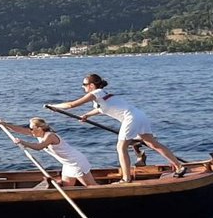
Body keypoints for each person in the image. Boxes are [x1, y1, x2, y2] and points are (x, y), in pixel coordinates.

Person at [47, 73, 186, 183]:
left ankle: (126, 178)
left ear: (91, 85)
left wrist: (53, 106)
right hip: (139, 115)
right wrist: (87, 115)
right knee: (153, 144)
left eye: (84, 85)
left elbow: (72, 105)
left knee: (121, 147)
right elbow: (102, 109)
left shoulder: (96, 93)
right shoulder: (101, 95)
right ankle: (179, 166)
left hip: (130, 118)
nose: (83, 87)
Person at [0, 118, 97, 187]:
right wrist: (5, 124)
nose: (30, 130)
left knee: (91, 186)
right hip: (67, 164)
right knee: (67, 187)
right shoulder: (39, 134)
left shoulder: (50, 136)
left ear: (39, 129)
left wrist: (23, 142)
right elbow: (22, 130)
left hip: (76, 162)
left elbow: (39, 147)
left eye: (32, 128)